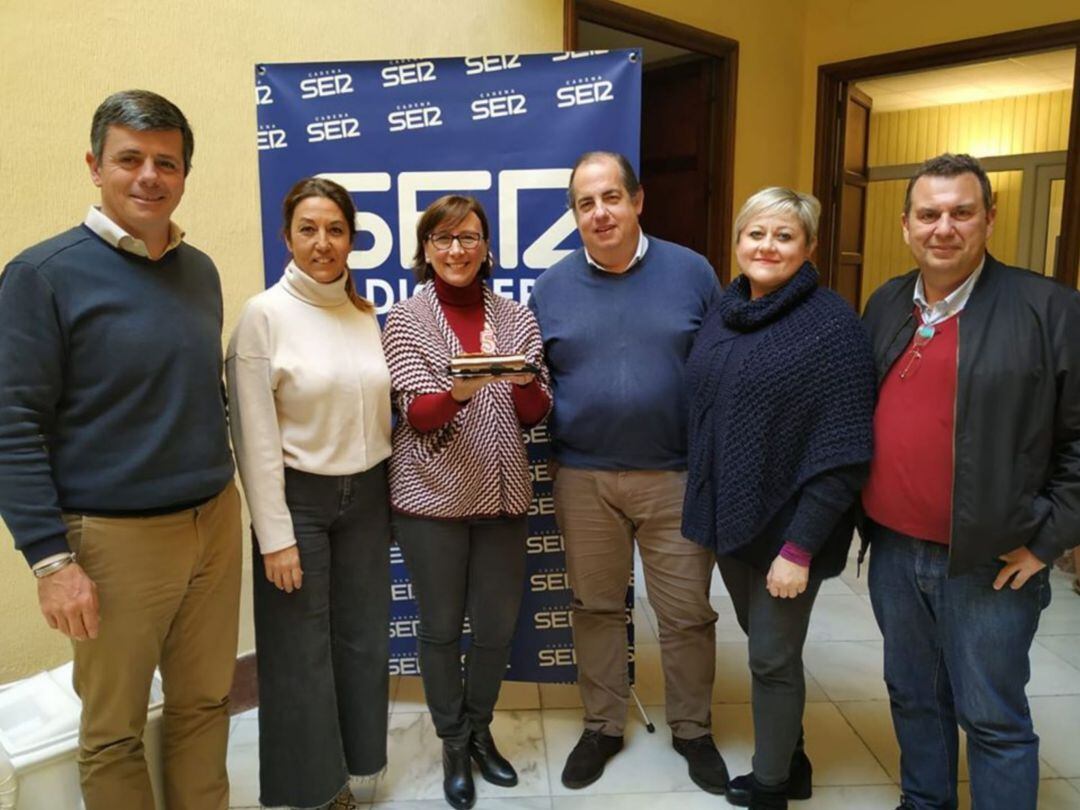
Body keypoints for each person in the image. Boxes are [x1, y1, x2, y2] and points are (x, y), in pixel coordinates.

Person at [0, 90, 240, 810]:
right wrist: (50, 561)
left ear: (184, 174)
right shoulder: (41, 276)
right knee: (113, 732)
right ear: (95, 166)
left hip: (214, 524)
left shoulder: (199, 272)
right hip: (112, 542)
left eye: (166, 162)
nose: (148, 176)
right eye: (129, 159)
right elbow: (11, 423)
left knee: (204, 705)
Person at [861, 153, 1080, 810]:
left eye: (961, 212)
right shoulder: (886, 302)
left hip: (992, 560)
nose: (944, 227)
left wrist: (1048, 541)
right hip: (895, 552)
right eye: (929, 214)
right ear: (906, 225)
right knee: (914, 697)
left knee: (992, 718)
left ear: (989, 217)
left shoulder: (1050, 309)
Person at [528, 151, 727, 794]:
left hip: (676, 475)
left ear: (637, 201)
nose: (600, 212)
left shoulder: (692, 271)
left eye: (611, 197)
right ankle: (603, 725)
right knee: (595, 608)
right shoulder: (550, 288)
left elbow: (724, 369)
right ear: (574, 215)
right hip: (583, 476)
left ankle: (693, 729)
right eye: (586, 203)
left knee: (687, 614)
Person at [682, 188, 875, 809]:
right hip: (733, 518)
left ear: (809, 247)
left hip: (792, 530)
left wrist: (799, 548)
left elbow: (844, 452)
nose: (767, 247)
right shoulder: (726, 309)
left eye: (784, 236)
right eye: (755, 234)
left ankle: (770, 788)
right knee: (768, 646)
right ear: (737, 242)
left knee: (770, 658)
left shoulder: (832, 326)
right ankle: (792, 758)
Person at [227, 177, 391, 810]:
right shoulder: (263, 316)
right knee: (299, 651)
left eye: (336, 230)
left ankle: (357, 767)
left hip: (368, 499)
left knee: (361, 639)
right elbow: (254, 436)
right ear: (286, 236)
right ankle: (315, 792)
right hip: (300, 502)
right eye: (308, 229)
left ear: (351, 238)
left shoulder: (363, 312)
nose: (323, 243)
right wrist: (275, 537)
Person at [381, 194, 550, 810]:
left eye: (470, 237)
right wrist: (459, 390)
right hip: (432, 501)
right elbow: (420, 416)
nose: (458, 250)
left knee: (497, 629)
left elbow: (534, 413)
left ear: (487, 247)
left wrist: (528, 381)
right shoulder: (403, 319)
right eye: (444, 239)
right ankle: (452, 742)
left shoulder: (516, 316)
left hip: (503, 495)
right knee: (442, 629)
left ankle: (480, 729)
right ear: (426, 250)